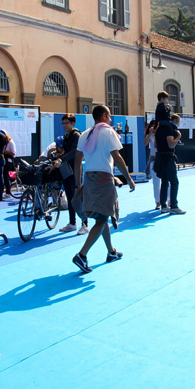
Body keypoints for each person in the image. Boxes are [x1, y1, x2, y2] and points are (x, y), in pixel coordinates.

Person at [71, 105, 135, 273]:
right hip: (104, 180)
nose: (111, 119)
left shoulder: (85, 134)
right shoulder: (108, 132)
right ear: (104, 115)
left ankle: (111, 252)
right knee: (102, 219)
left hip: (89, 179)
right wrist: (129, 179)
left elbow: (77, 161)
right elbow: (117, 158)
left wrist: (78, 185)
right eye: (110, 116)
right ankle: (82, 255)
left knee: (102, 217)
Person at [56, 114, 89, 235]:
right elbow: (66, 152)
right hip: (67, 170)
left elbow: (74, 152)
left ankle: (85, 224)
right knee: (70, 198)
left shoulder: (76, 135)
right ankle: (72, 223)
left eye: (67, 123)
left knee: (78, 197)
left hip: (76, 170)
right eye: (63, 123)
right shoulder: (66, 136)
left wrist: (61, 159)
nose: (64, 125)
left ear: (73, 123)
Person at [155, 114, 186, 214]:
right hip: (168, 157)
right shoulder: (169, 128)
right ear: (175, 121)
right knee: (174, 182)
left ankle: (164, 206)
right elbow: (171, 144)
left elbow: (155, 144)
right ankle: (174, 206)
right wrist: (178, 137)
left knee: (164, 181)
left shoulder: (159, 128)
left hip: (160, 157)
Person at [143, 119, 161, 210]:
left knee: (167, 181)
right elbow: (144, 143)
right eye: (152, 126)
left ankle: (168, 201)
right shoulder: (150, 135)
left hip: (162, 158)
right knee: (156, 182)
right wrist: (150, 133)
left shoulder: (162, 134)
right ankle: (158, 202)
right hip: (154, 159)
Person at [1, 130, 16, 197]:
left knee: (6, 176)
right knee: (4, 176)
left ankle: (8, 191)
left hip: (9, 161)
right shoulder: (3, 142)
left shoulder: (10, 142)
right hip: (3, 161)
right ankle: (5, 191)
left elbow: (13, 152)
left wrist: (4, 151)